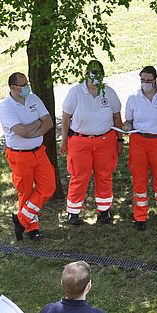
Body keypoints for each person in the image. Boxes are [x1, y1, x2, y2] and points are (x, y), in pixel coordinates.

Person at [60, 60, 123, 225]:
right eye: (93, 72)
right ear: (86, 74)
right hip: (80, 142)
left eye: (99, 73)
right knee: (79, 176)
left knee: (104, 175)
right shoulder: (76, 92)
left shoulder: (108, 92)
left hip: (105, 141)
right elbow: (66, 118)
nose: (96, 76)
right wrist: (64, 141)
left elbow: (117, 117)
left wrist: (120, 140)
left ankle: (104, 211)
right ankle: (73, 213)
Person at [0, 72, 56, 241]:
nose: (26, 88)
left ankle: (20, 219)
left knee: (48, 187)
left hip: (39, 152)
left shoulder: (34, 99)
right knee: (26, 192)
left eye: (27, 84)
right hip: (19, 156)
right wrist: (38, 123)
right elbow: (22, 132)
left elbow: (49, 123)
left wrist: (33, 128)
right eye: (22, 85)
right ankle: (32, 228)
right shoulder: (6, 107)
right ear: (12, 87)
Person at [124, 65, 157, 230]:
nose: (145, 83)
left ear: (155, 80)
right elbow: (128, 121)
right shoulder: (133, 98)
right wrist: (127, 126)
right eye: (143, 80)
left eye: (149, 80)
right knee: (139, 181)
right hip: (138, 142)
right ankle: (140, 217)